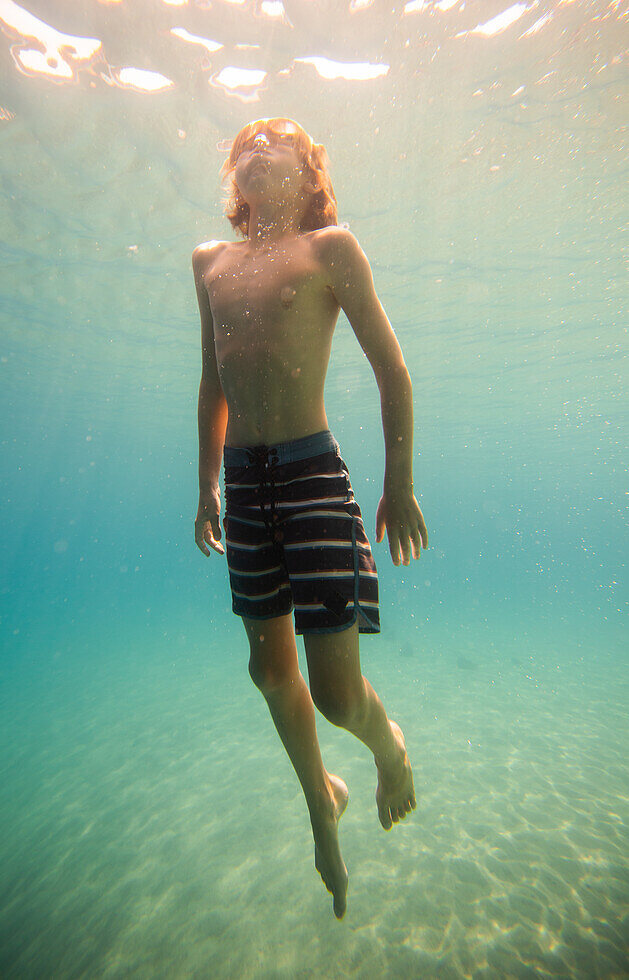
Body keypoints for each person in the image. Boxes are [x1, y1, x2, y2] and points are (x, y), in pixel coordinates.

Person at [192, 117, 428, 919]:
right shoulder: (209, 264)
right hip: (245, 482)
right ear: (233, 174)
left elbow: (390, 366)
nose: (259, 141)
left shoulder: (331, 249)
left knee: (334, 693)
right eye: (247, 139)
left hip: (310, 474)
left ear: (310, 171)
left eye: (279, 137)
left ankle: (384, 743)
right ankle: (319, 805)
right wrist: (205, 486)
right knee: (266, 670)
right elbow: (212, 385)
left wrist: (399, 481)